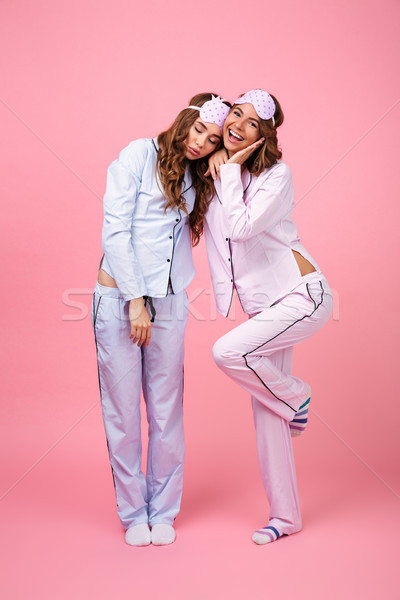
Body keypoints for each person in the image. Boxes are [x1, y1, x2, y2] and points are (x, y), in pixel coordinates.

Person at [92, 94, 230, 546]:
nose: (200, 144)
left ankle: (163, 510)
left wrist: (228, 156)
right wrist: (134, 301)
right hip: (120, 296)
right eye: (198, 131)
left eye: (212, 140)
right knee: (124, 410)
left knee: (167, 410)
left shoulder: (200, 175)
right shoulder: (137, 154)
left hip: (170, 301)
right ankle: (134, 514)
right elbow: (115, 228)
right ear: (185, 121)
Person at [204, 89, 333, 544]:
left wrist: (232, 167)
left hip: (303, 295)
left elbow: (241, 229)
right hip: (266, 308)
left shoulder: (276, 175)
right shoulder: (218, 180)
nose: (239, 124)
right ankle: (286, 516)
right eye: (235, 115)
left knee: (227, 351)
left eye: (252, 122)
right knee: (266, 414)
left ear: (264, 136)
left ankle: (298, 395)